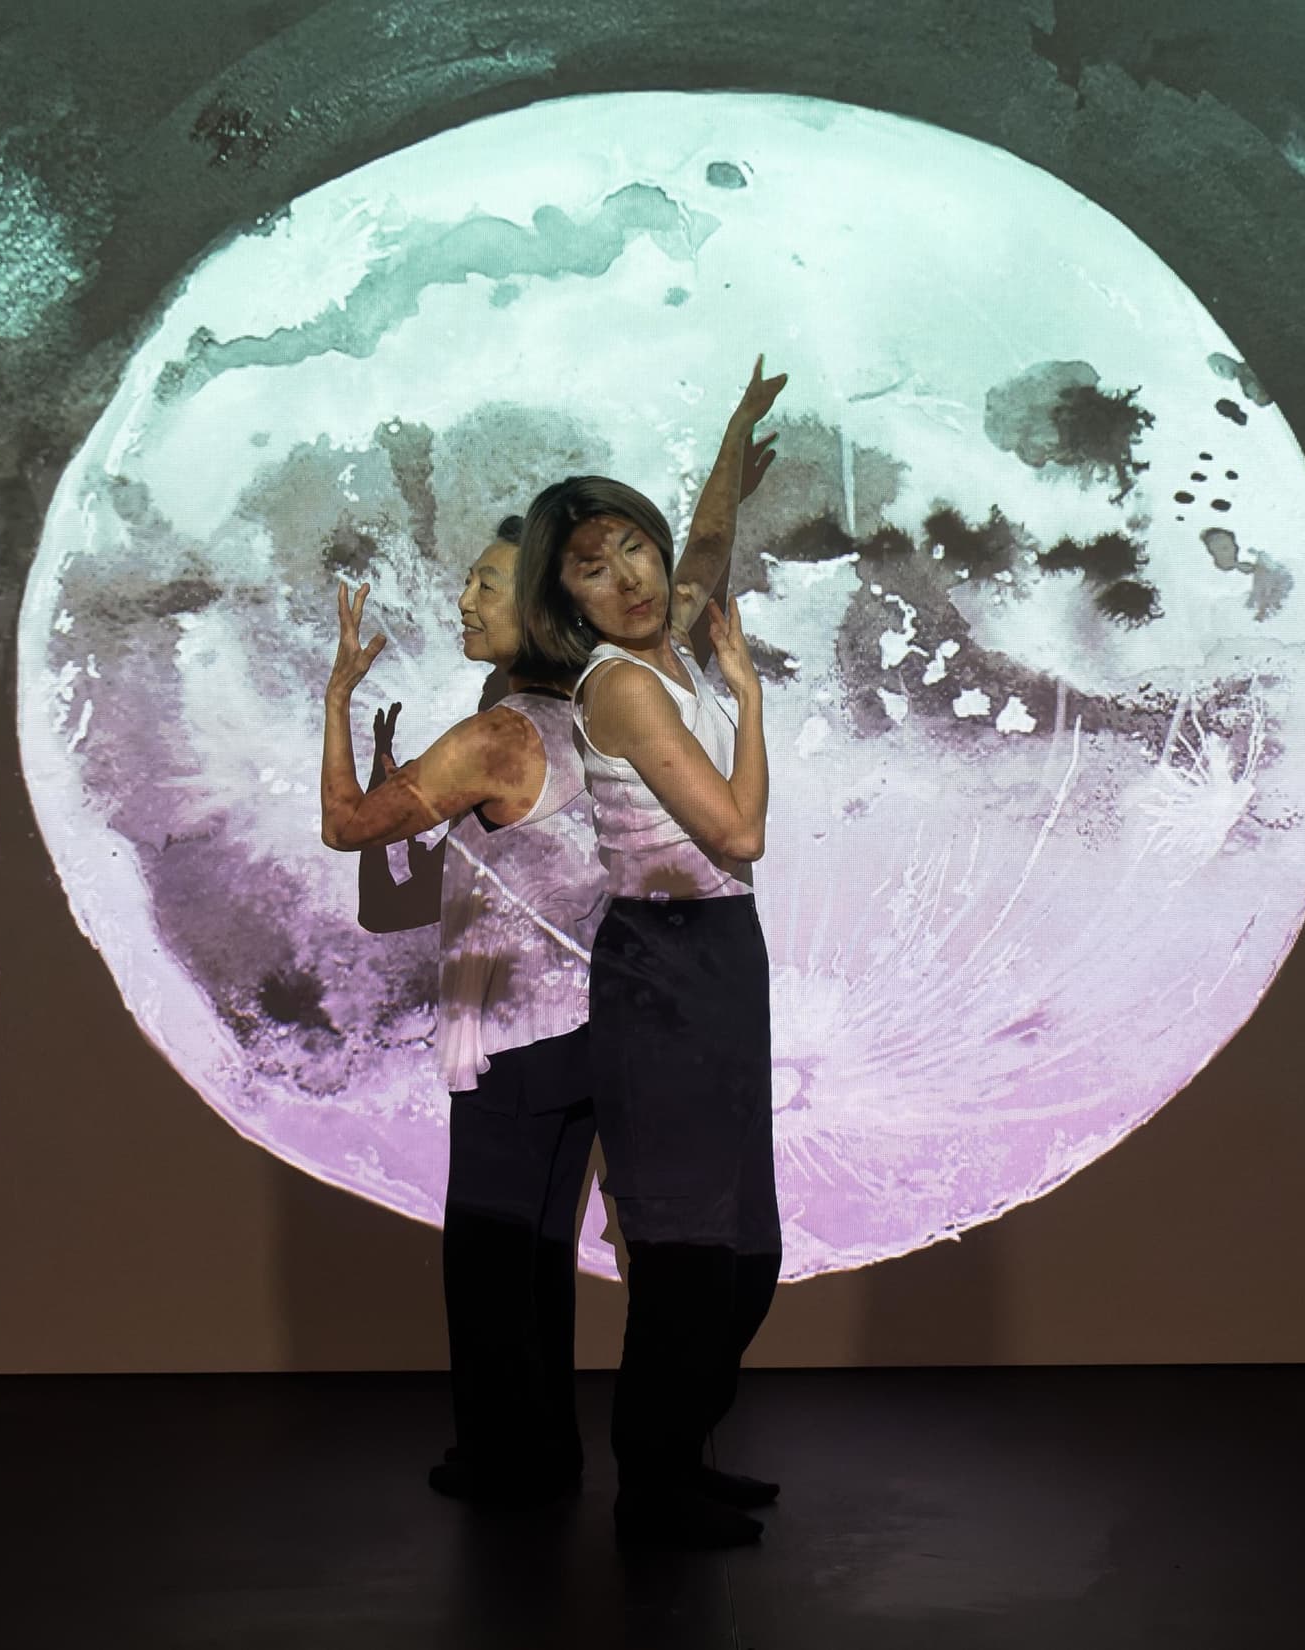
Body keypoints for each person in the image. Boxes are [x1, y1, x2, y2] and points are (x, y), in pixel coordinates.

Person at [513, 355, 788, 1549]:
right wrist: (751, 697)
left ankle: (677, 1452)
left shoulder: (672, 622)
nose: (627, 575)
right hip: (663, 968)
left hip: (724, 958)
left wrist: (731, 437)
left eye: (633, 546)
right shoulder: (624, 687)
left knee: (748, 1251)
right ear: (566, 599)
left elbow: (708, 544)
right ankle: (651, 1483)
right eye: (592, 564)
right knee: (683, 1252)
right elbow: (737, 831)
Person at [321, 517, 600, 1504]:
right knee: (535, 1259)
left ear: (534, 609)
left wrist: (339, 699)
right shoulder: (597, 722)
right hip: (583, 1028)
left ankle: (500, 1460)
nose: (464, 601)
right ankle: (545, 1450)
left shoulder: (497, 735)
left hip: (516, 1039)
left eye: (484, 585)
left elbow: (346, 826)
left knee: (490, 1262)